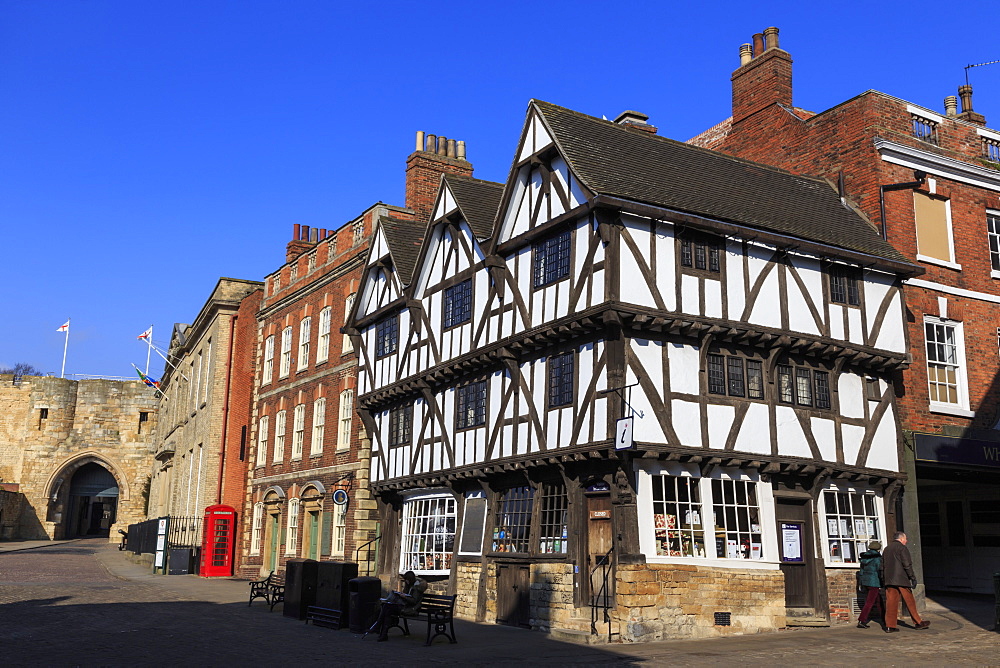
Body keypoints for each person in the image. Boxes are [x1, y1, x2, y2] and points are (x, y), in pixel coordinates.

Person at [881, 531, 929, 632]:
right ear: (901, 539)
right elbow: (907, 564)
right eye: (905, 539)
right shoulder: (902, 548)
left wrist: (883, 579)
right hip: (901, 579)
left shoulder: (886, 549)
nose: (906, 541)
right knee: (910, 601)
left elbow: (882, 566)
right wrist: (912, 577)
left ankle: (890, 625)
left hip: (889, 579)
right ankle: (918, 622)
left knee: (891, 603)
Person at [372, 571, 427, 641]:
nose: (406, 582)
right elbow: (406, 596)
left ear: (410, 579)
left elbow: (414, 601)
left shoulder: (417, 588)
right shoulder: (409, 586)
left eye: (407, 580)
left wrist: (404, 597)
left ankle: (379, 628)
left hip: (411, 609)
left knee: (387, 609)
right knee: (386, 607)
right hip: (404, 606)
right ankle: (382, 632)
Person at [856, 540, 884, 628]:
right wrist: (882, 582)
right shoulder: (877, 559)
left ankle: (884, 618)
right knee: (870, 602)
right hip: (874, 582)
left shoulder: (865, 558)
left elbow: (861, 572)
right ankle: (862, 620)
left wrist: (861, 582)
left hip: (866, 581)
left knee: (879, 601)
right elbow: (880, 571)